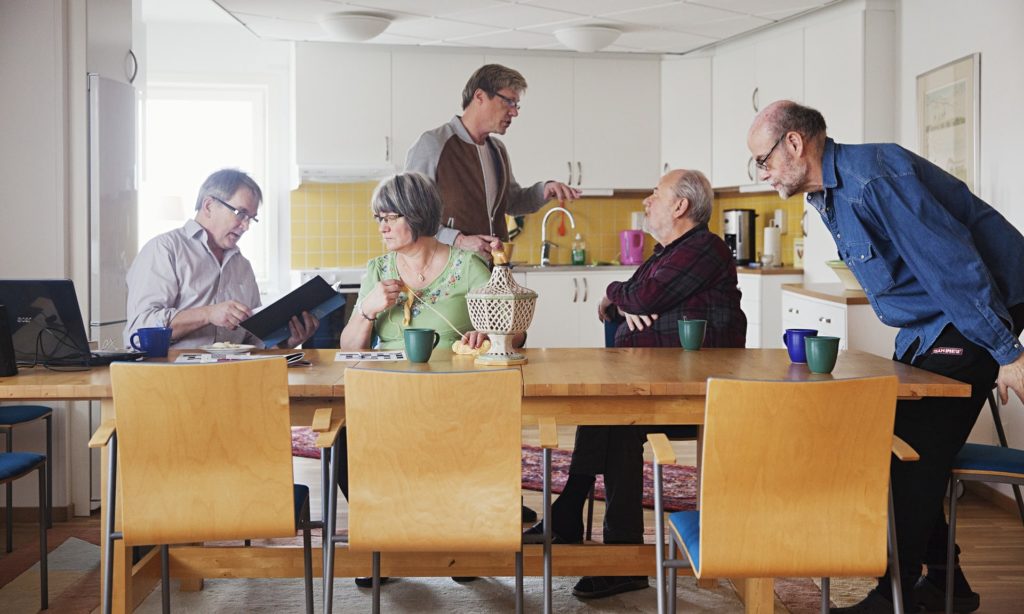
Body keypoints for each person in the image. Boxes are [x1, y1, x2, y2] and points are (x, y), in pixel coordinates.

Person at [747, 100, 1024, 614]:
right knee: (889, 437)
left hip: (973, 312)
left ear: (793, 144)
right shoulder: (828, 196)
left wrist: (1005, 350)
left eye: (762, 160)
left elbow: (952, 265)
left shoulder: (873, 177)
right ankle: (947, 586)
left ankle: (891, 594)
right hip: (933, 322)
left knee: (905, 451)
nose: (760, 173)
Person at [528, 169, 747, 600]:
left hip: (694, 387)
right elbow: (636, 292)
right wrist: (625, 298)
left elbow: (639, 297)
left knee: (613, 418)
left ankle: (587, 528)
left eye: (655, 194)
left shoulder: (703, 247)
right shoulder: (669, 252)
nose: (648, 201)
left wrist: (619, 295)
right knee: (605, 409)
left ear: (680, 206)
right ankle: (597, 536)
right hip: (657, 377)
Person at [336, 171, 521, 588]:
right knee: (348, 443)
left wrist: (486, 334)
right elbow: (348, 346)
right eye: (378, 218)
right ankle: (386, 540)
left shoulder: (468, 265)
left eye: (390, 217)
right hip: (388, 398)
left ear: (417, 215)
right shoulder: (379, 269)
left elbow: (513, 328)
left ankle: (460, 543)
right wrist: (367, 309)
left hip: (455, 399)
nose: (382, 227)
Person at [125, 169, 318, 350]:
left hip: (232, 377)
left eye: (251, 218)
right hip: (174, 379)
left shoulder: (242, 265)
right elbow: (139, 328)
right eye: (241, 213)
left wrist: (286, 342)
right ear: (209, 206)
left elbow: (252, 342)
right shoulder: (164, 249)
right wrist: (208, 314)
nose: (246, 226)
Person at [404, 63, 580, 260]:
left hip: (493, 273)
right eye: (509, 102)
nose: (514, 112)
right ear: (479, 96)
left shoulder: (497, 150)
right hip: (447, 276)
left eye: (516, 105)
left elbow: (512, 203)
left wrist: (544, 189)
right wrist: (459, 240)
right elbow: (408, 216)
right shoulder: (433, 144)